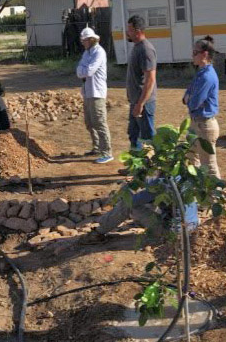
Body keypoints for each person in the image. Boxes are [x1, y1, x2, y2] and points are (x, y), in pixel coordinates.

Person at [79, 180, 199, 244]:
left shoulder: (161, 183)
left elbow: (132, 201)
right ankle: (105, 222)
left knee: (128, 205)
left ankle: (98, 233)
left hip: (173, 233)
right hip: (190, 226)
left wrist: (125, 191)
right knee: (147, 202)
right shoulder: (183, 177)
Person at [184, 36, 221, 179]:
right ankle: (196, 190)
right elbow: (187, 94)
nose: (192, 55)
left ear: (204, 54)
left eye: (195, 52)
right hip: (196, 123)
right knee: (191, 158)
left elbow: (194, 102)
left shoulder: (207, 76)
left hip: (205, 126)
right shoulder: (201, 72)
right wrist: (189, 97)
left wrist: (189, 98)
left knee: (209, 165)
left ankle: (215, 197)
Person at [76, 27, 113, 164]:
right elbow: (80, 69)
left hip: (97, 92)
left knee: (100, 122)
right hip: (87, 91)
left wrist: (82, 70)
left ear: (90, 39)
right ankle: (97, 147)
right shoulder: (87, 53)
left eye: (84, 40)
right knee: (90, 122)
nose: (83, 43)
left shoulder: (99, 52)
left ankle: (107, 152)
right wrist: (82, 70)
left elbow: (89, 71)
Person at [125, 15, 157, 150]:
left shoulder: (146, 49)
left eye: (130, 30)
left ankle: (154, 167)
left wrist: (141, 104)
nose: (127, 33)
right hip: (135, 101)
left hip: (143, 103)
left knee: (147, 137)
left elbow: (150, 79)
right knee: (134, 135)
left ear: (138, 31)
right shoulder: (137, 47)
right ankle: (136, 167)